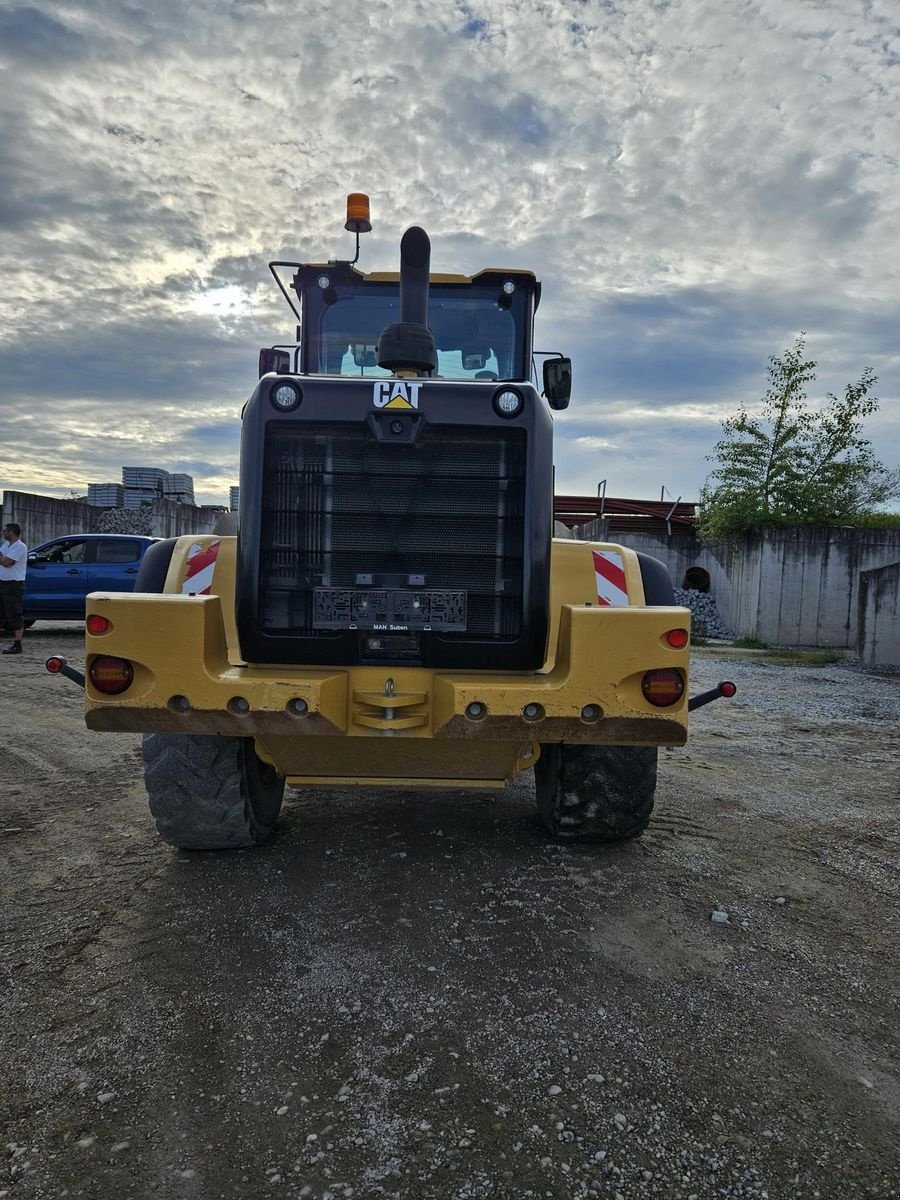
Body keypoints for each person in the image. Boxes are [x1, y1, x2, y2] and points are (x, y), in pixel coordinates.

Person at [0, 522, 28, 654]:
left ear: (12, 532)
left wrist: (2, 558)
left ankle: (18, 644)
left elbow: (7, 563)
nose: (4, 533)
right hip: (3, 582)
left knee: (14, 613)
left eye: (6, 531)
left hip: (13, 584)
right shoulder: (6, 545)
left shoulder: (20, 547)